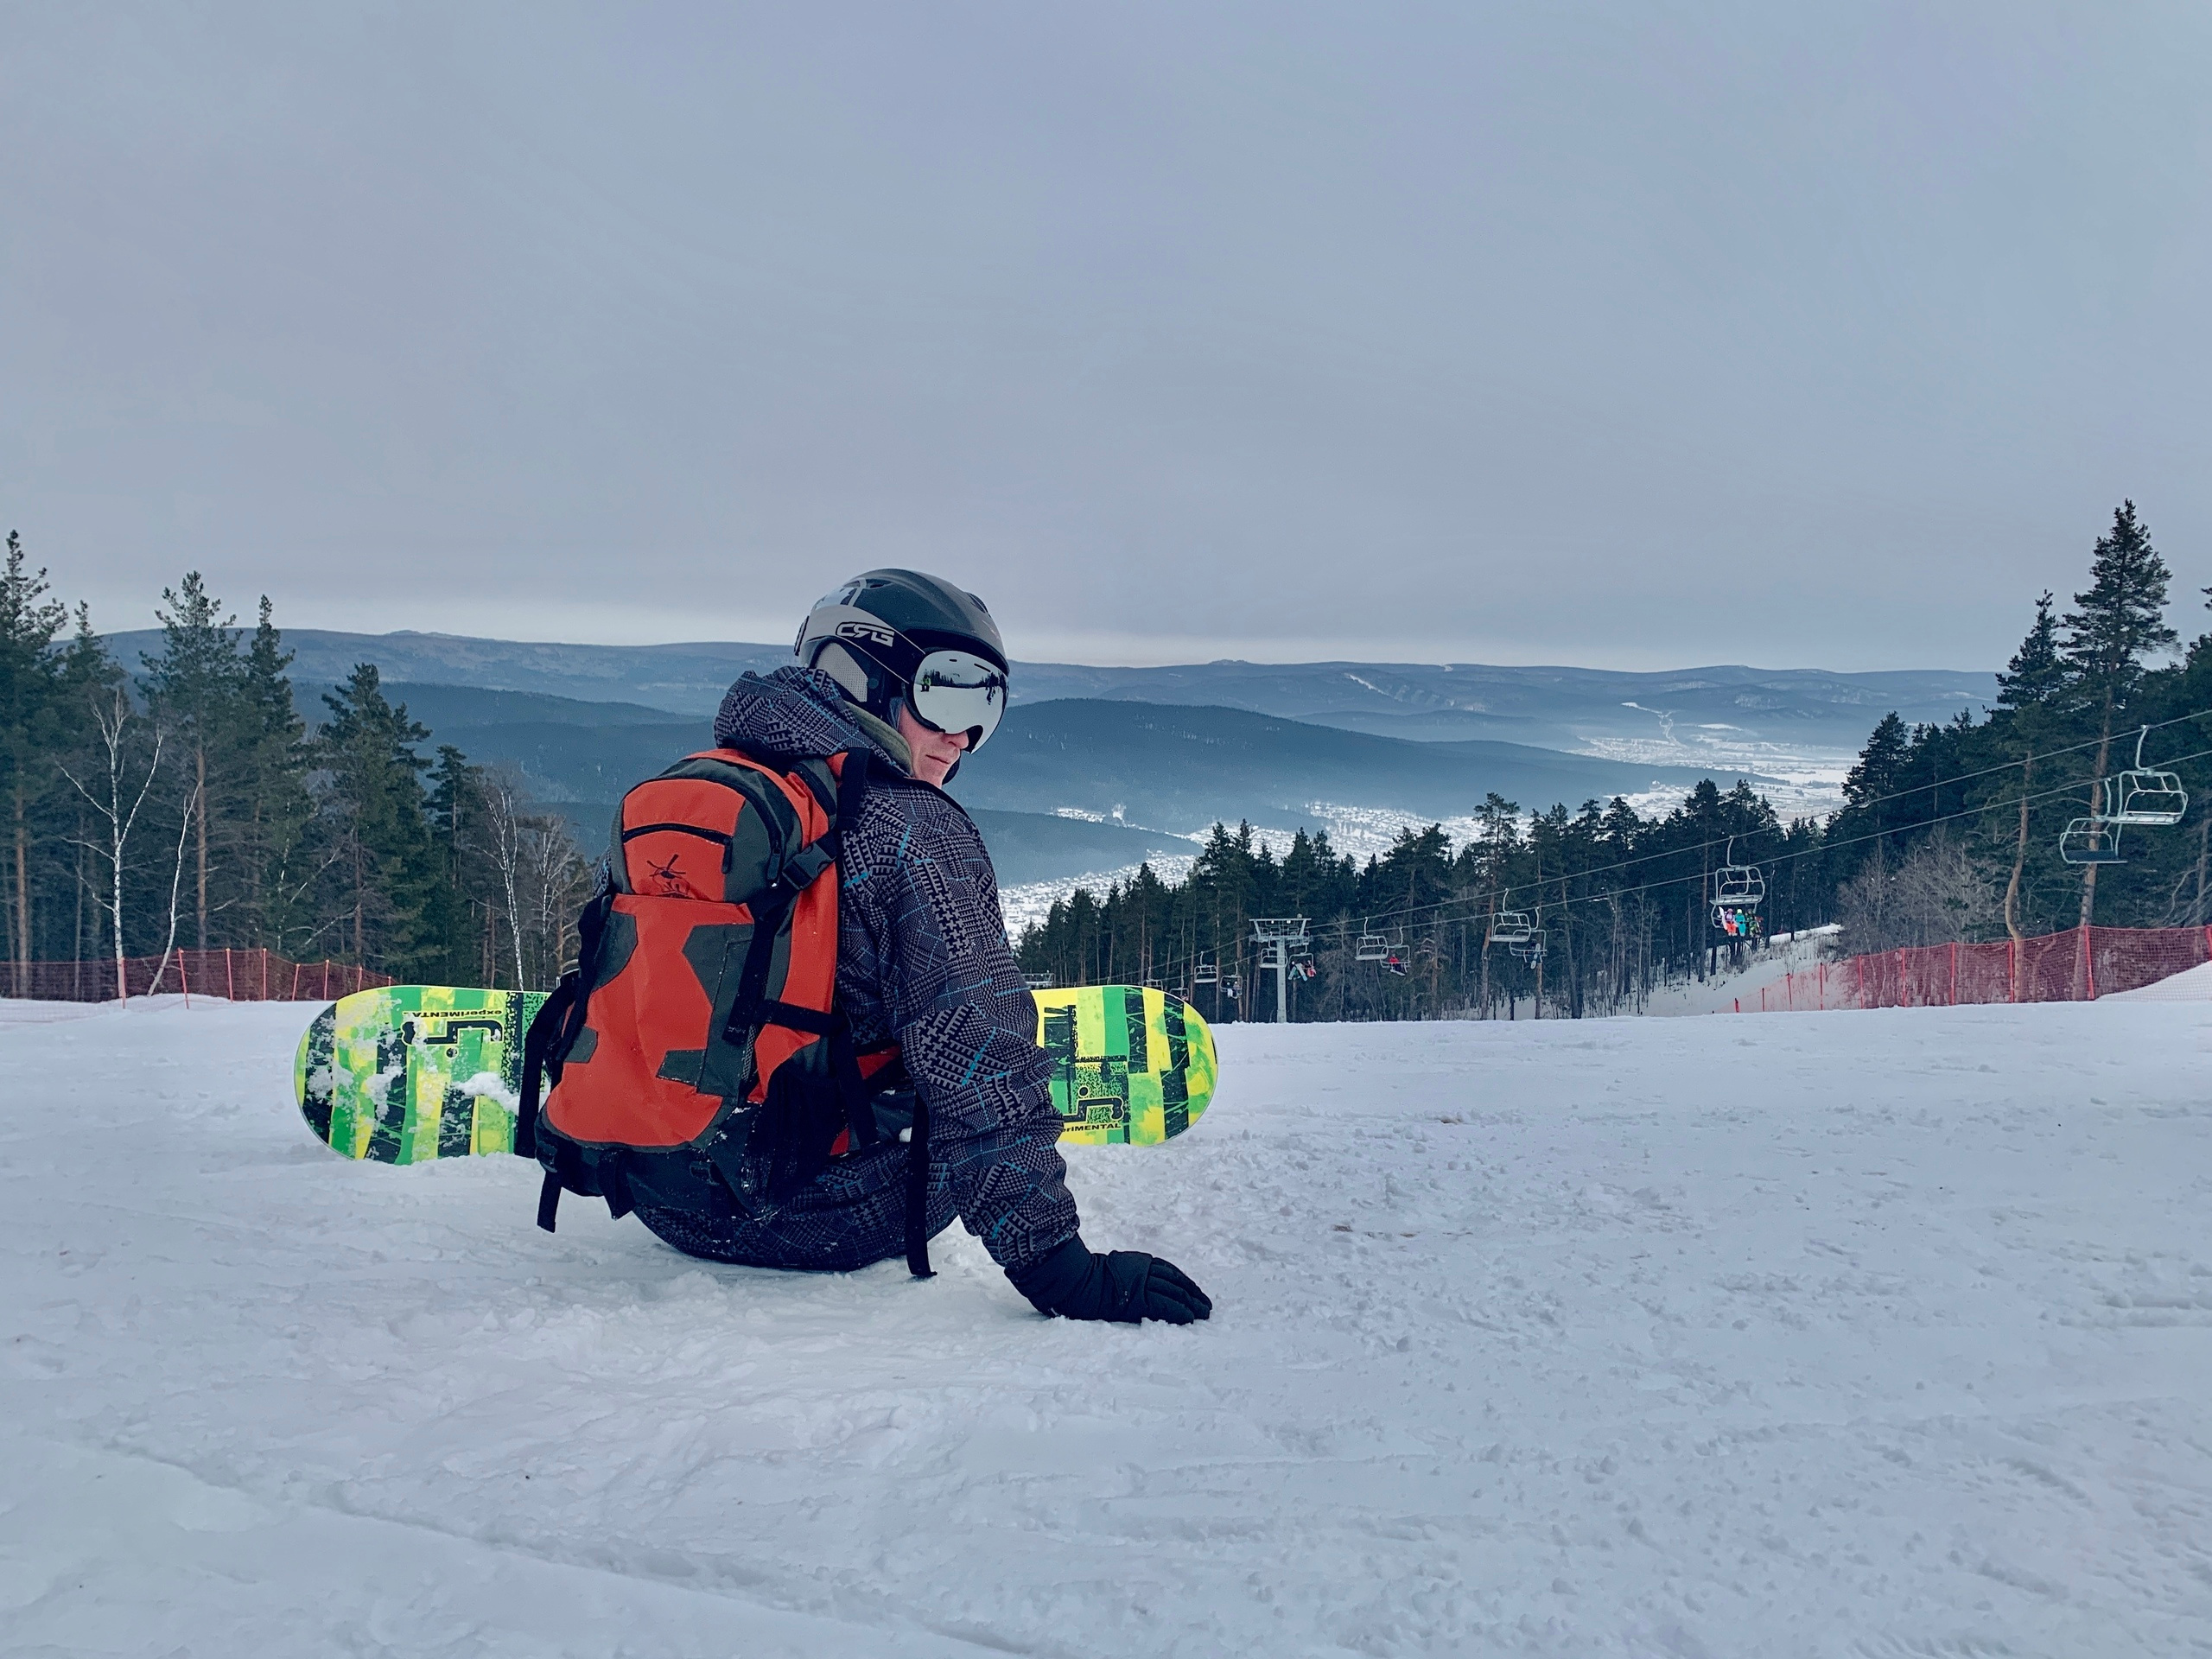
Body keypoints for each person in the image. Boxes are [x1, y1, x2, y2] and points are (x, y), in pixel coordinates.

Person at [625, 569, 1211, 1326]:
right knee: (957, 1096)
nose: (963, 734)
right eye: (946, 695)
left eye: (985, 708)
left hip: (660, 1194)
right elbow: (979, 1063)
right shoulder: (913, 831)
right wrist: (1064, 1273)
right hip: (811, 1213)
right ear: (862, 676)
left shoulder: (695, 792)